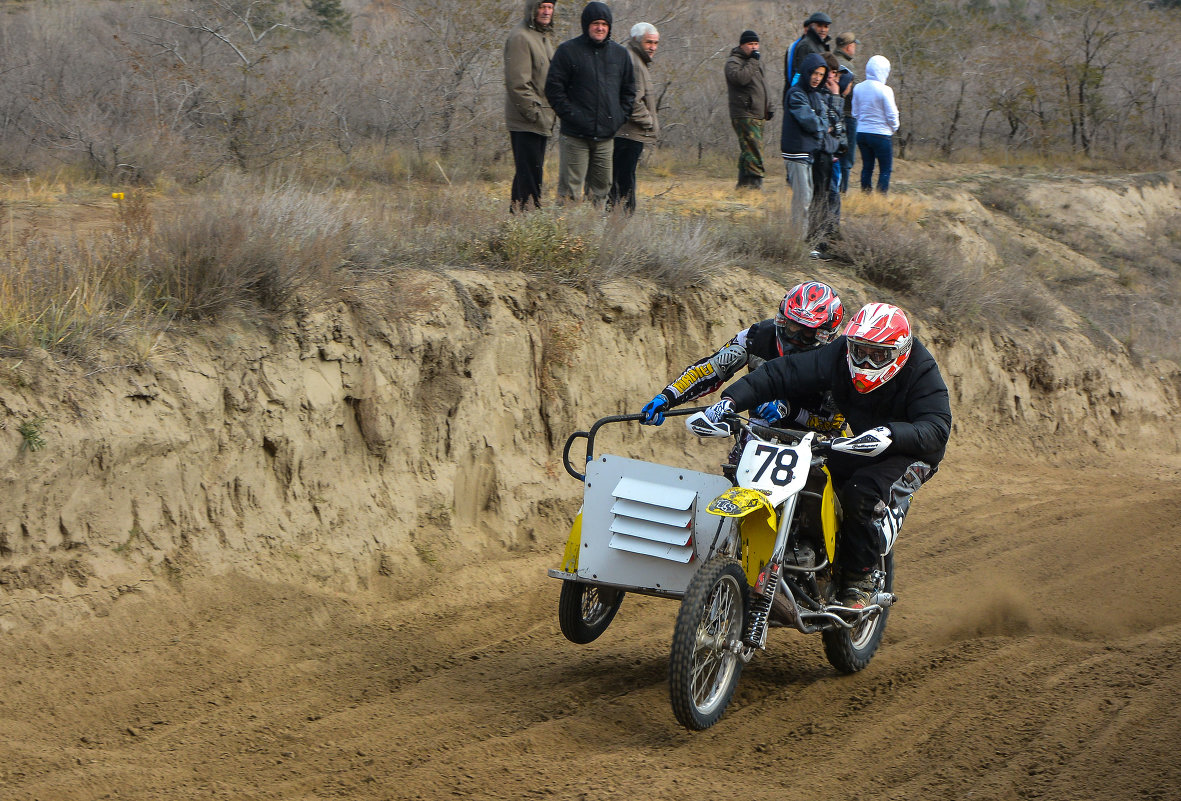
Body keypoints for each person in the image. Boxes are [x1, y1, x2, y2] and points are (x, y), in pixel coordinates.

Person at [701, 302, 952, 609]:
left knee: (862, 493)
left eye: (878, 355)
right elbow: (784, 372)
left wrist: (891, 433)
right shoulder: (839, 355)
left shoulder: (922, 370)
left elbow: (937, 428)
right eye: (859, 349)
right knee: (808, 471)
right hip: (862, 442)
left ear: (899, 352)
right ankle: (802, 549)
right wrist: (729, 401)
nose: (865, 360)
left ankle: (858, 582)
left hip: (911, 451)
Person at [639, 281, 846, 438]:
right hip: (757, 433)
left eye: (806, 333)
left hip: (818, 442)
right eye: (792, 327)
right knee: (733, 471)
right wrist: (667, 397)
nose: (795, 337)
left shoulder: (840, 361)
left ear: (825, 334)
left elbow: (835, 423)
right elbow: (709, 370)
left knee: (847, 487)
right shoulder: (756, 337)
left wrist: (789, 410)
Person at [545, 1, 635, 205]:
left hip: (606, 137)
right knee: (570, 192)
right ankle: (567, 235)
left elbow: (629, 91)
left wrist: (618, 118)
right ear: (586, 25)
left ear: (609, 26)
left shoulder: (620, 55)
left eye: (604, 23)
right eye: (595, 23)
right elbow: (553, 89)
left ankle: (593, 234)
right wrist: (572, 116)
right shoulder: (567, 51)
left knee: (601, 192)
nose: (600, 27)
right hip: (575, 136)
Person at [504, 1, 558, 212]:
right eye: (542, 6)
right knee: (530, 179)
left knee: (527, 177)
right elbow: (517, 84)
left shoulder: (541, 36)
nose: (546, 12)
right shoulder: (521, 37)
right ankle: (529, 227)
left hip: (540, 120)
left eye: (550, 7)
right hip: (526, 121)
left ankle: (518, 227)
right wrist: (535, 114)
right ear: (532, 8)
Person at [608, 22, 659, 213]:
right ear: (636, 40)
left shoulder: (636, 59)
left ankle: (618, 221)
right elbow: (632, 102)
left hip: (629, 134)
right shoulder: (634, 62)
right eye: (649, 42)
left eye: (655, 43)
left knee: (622, 180)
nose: (653, 47)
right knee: (624, 182)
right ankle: (622, 224)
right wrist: (649, 122)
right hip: (628, 134)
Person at [781, 53, 830, 245]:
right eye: (814, 73)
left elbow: (824, 119)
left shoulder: (815, 95)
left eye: (821, 74)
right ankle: (795, 244)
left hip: (808, 152)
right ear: (807, 72)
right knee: (801, 200)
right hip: (796, 152)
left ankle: (800, 242)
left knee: (807, 198)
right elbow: (811, 122)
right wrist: (820, 124)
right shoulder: (796, 93)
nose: (817, 78)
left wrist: (819, 122)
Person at [724, 30, 774, 191]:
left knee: (749, 148)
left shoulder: (756, 63)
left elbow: (763, 86)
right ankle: (755, 185)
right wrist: (753, 61)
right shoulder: (733, 62)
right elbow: (741, 79)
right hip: (744, 113)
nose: (754, 47)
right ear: (741, 45)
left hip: (758, 113)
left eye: (756, 44)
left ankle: (743, 185)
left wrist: (769, 106)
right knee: (753, 148)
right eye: (750, 44)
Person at [851, 54, 899, 193]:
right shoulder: (885, 90)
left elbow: (855, 112)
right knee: (885, 168)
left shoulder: (858, 88)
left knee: (867, 166)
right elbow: (892, 115)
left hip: (862, 133)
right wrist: (893, 127)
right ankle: (880, 197)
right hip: (881, 134)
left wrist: (863, 123)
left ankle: (866, 196)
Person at [833, 32, 859, 193]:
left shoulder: (830, 59)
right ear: (849, 46)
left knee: (835, 153)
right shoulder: (847, 66)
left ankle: (835, 188)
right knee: (846, 155)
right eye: (854, 45)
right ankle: (843, 191)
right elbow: (852, 91)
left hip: (833, 113)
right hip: (847, 114)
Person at [784, 12, 832, 84]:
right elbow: (801, 73)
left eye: (826, 26)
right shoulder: (806, 45)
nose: (823, 30)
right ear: (812, 26)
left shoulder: (821, 45)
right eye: (819, 26)